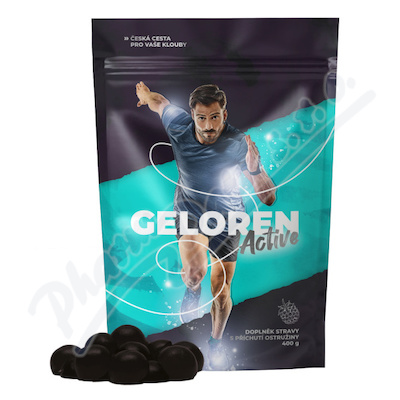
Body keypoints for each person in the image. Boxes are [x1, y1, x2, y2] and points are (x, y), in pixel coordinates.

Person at [136, 81, 276, 369]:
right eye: (202, 118)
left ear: (225, 114)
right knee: (194, 274)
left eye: (215, 117)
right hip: (190, 209)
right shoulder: (178, 126)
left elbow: (268, 198)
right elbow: (161, 103)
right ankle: (191, 289)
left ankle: (215, 341)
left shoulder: (239, 143)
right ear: (192, 115)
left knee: (221, 292)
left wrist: (253, 168)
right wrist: (147, 96)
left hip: (227, 216)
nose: (209, 125)